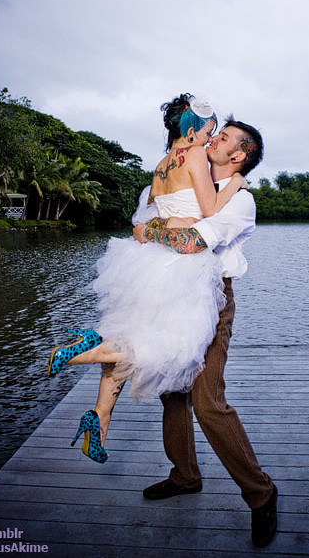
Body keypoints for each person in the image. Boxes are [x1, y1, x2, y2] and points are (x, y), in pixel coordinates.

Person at [47, 93, 246, 458]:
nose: (210, 137)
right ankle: (88, 348)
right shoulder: (197, 156)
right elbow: (211, 209)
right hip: (182, 269)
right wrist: (236, 184)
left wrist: (166, 221)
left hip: (145, 263)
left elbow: (144, 222)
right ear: (192, 131)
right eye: (208, 130)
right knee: (164, 349)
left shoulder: (160, 165)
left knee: (134, 333)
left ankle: (99, 419)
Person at [132, 116, 278, 548]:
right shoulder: (176, 176)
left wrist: (151, 231)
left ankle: (261, 493)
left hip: (211, 299)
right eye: (215, 131)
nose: (213, 138)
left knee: (206, 399)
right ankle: (185, 476)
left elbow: (193, 240)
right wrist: (153, 229)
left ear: (238, 156)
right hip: (165, 291)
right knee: (171, 391)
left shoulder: (239, 201)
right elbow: (139, 219)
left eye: (225, 138)